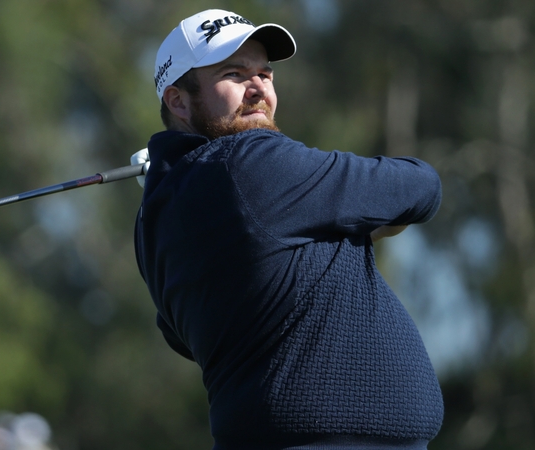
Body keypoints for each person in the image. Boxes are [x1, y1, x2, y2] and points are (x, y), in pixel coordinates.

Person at [131, 9, 444, 450]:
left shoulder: (153, 218)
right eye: (234, 74)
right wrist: (361, 224)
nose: (258, 88)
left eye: (265, 74)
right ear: (178, 101)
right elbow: (421, 185)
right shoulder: (249, 161)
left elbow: (179, 334)